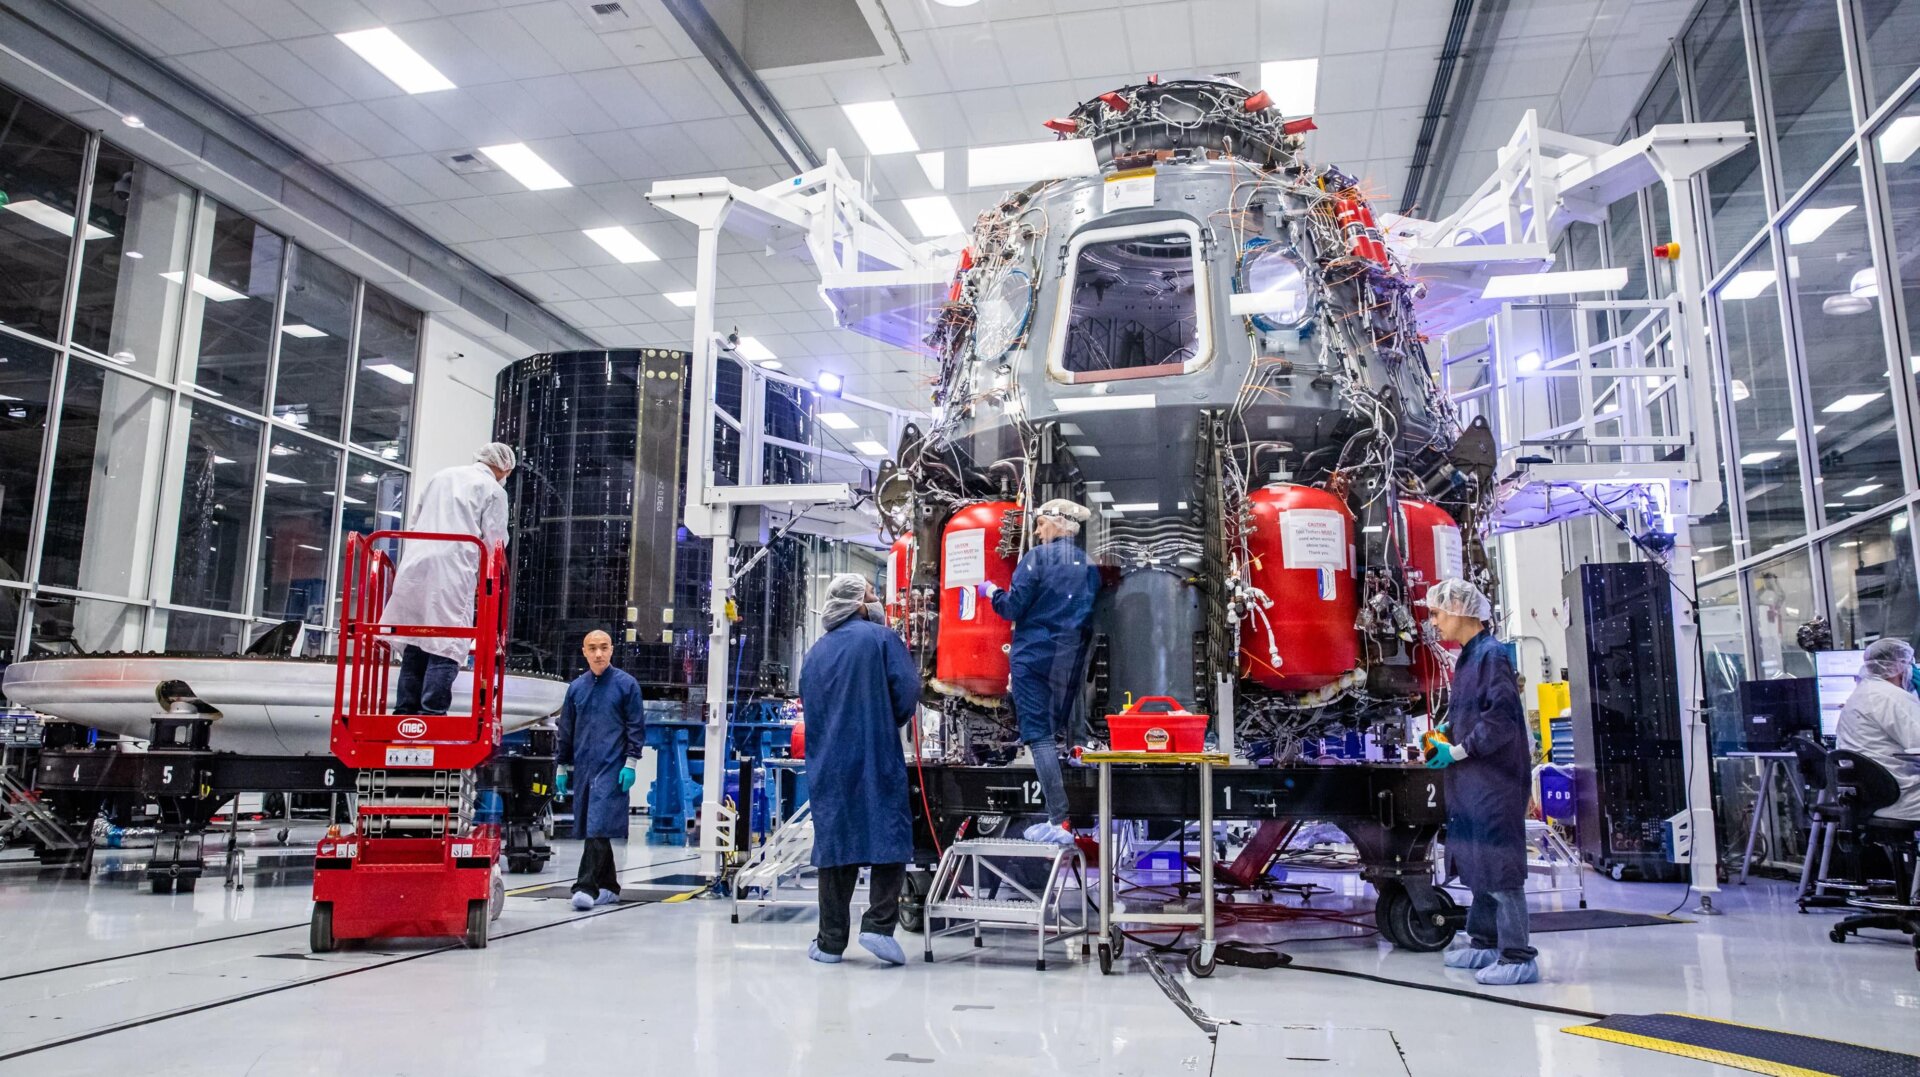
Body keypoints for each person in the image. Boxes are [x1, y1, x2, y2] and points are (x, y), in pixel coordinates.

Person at [798, 573, 920, 966]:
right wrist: (888, 718)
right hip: (874, 752)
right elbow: (908, 690)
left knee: (836, 845)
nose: (876, 600)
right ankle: (878, 927)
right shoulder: (881, 639)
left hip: (829, 761)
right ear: (857, 604)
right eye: (871, 594)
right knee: (889, 835)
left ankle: (831, 942)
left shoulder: (815, 653)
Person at [1422, 578, 1539, 986]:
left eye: (1437, 612)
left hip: (1495, 780)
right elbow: (1472, 711)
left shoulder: (1491, 656)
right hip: (1473, 780)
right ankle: (1484, 941)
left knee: (1500, 867)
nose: (1433, 621)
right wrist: (1448, 728)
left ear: (1459, 607)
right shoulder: (1468, 659)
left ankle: (1517, 955)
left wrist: (1460, 749)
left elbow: (1500, 719)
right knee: (1477, 860)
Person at [978, 499, 1100, 845]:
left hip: (1033, 657)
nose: (1036, 531)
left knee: (1039, 736)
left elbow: (1013, 606)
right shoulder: (1088, 564)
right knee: (1061, 732)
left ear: (1059, 523)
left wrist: (992, 592)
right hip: (1069, 657)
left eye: (1041, 523)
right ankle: (1068, 794)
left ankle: (1058, 820)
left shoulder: (1037, 559)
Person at [382, 443, 515, 716]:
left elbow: (416, 519)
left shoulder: (441, 476)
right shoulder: (493, 490)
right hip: (452, 569)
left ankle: (405, 711)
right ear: (506, 468)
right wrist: (487, 580)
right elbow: (496, 542)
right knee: (448, 642)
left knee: (416, 641)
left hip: (416, 564)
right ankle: (432, 714)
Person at [555, 630, 646, 911]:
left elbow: (635, 726)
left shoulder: (626, 685)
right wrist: (561, 765)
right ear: (584, 652)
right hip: (584, 767)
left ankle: (584, 887)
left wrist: (630, 763)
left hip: (612, 766)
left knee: (597, 823)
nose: (598, 654)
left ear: (612, 650)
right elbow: (566, 729)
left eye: (603, 648)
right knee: (595, 826)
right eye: (592, 648)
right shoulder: (576, 689)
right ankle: (609, 887)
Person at [1835, 638, 1920, 821]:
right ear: (1899, 665)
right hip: (1902, 800)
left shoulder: (1861, 694)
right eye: (1910, 663)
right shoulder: (1893, 697)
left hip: (1872, 799)